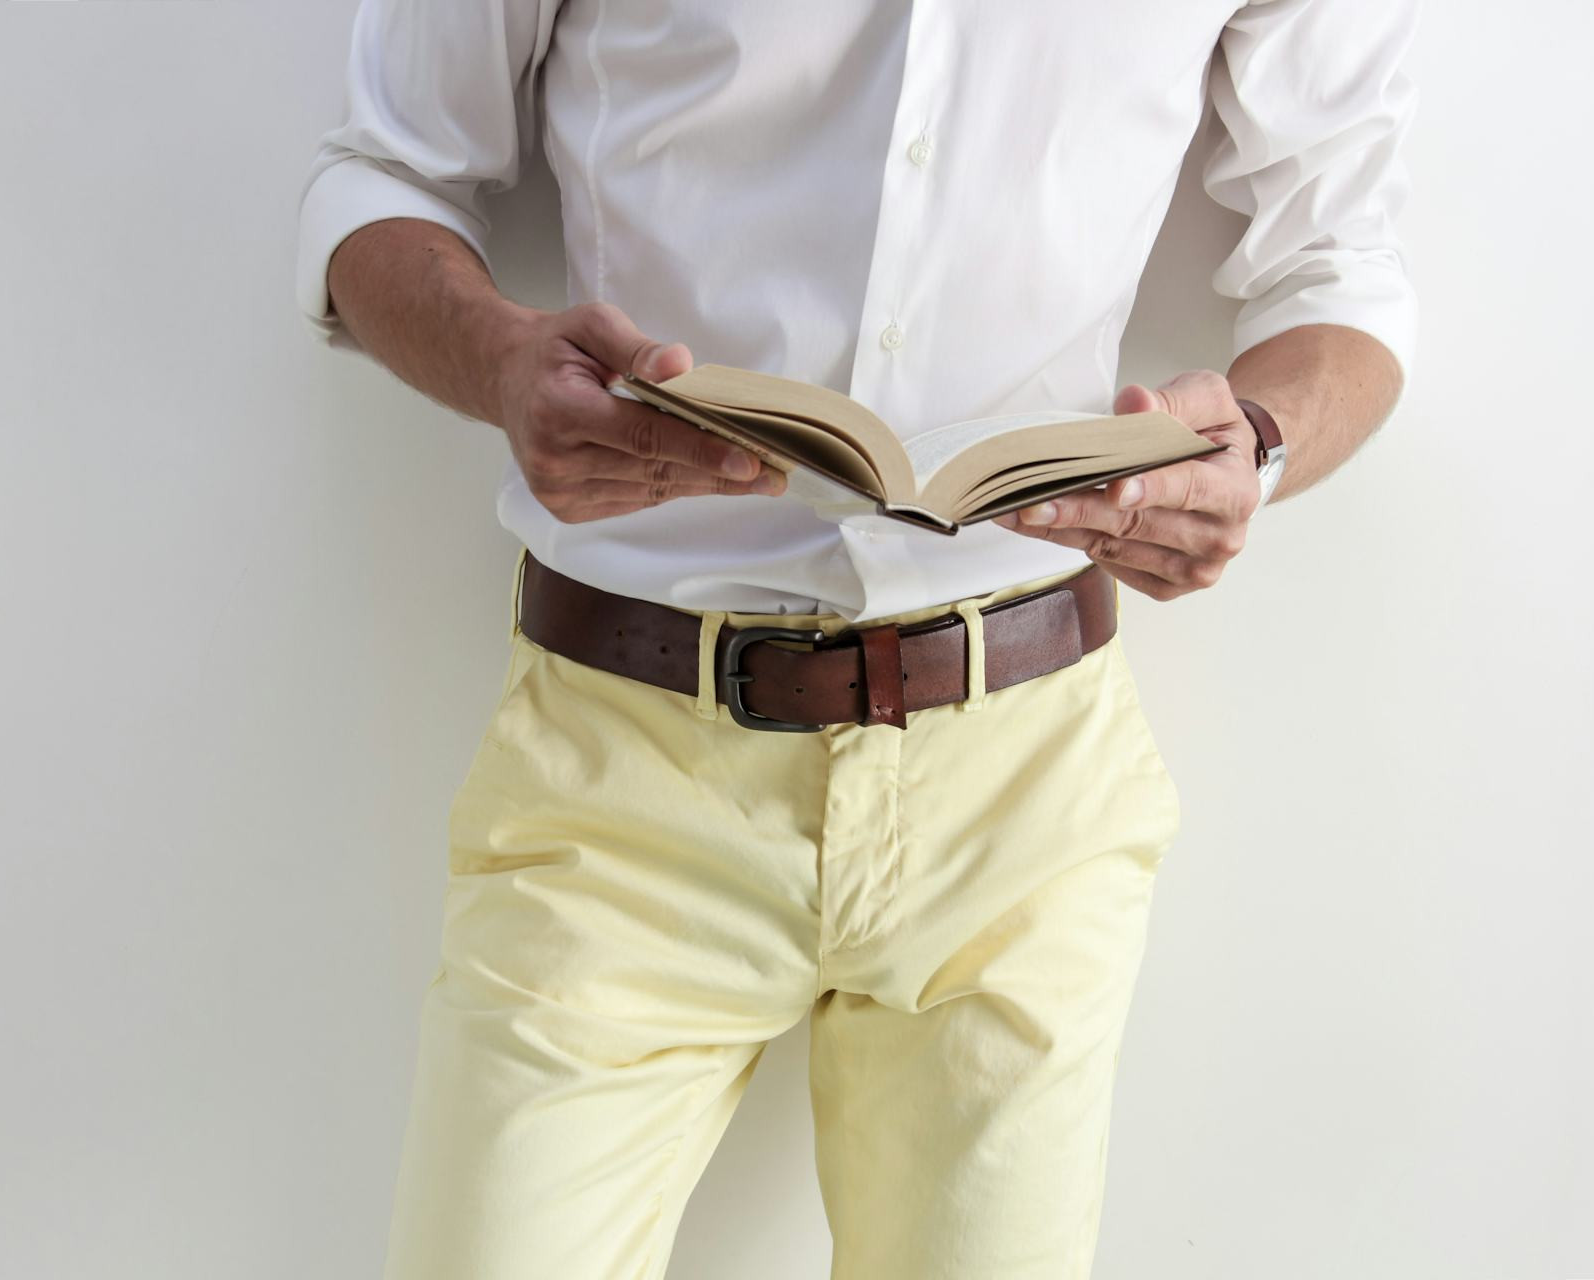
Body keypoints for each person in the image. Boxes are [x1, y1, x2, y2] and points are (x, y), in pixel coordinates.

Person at [295, 2, 1417, 1275]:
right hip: (623, 766)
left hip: (1025, 791)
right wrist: (502, 363)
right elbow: (379, 180)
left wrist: (1257, 448)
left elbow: (1343, 271)